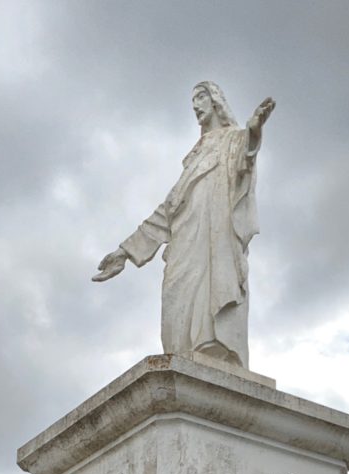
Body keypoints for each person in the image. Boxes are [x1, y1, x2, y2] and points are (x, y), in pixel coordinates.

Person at [92, 82, 275, 369]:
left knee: (206, 311)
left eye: (201, 97)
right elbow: (168, 210)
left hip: (214, 242)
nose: (195, 104)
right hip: (185, 243)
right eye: (193, 99)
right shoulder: (194, 158)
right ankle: (182, 363)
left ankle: (214, 350)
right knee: (174, 302)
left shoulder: (232, 140)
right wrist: (125, 252)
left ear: (216, 102)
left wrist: (253, 131)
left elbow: (246, 159)